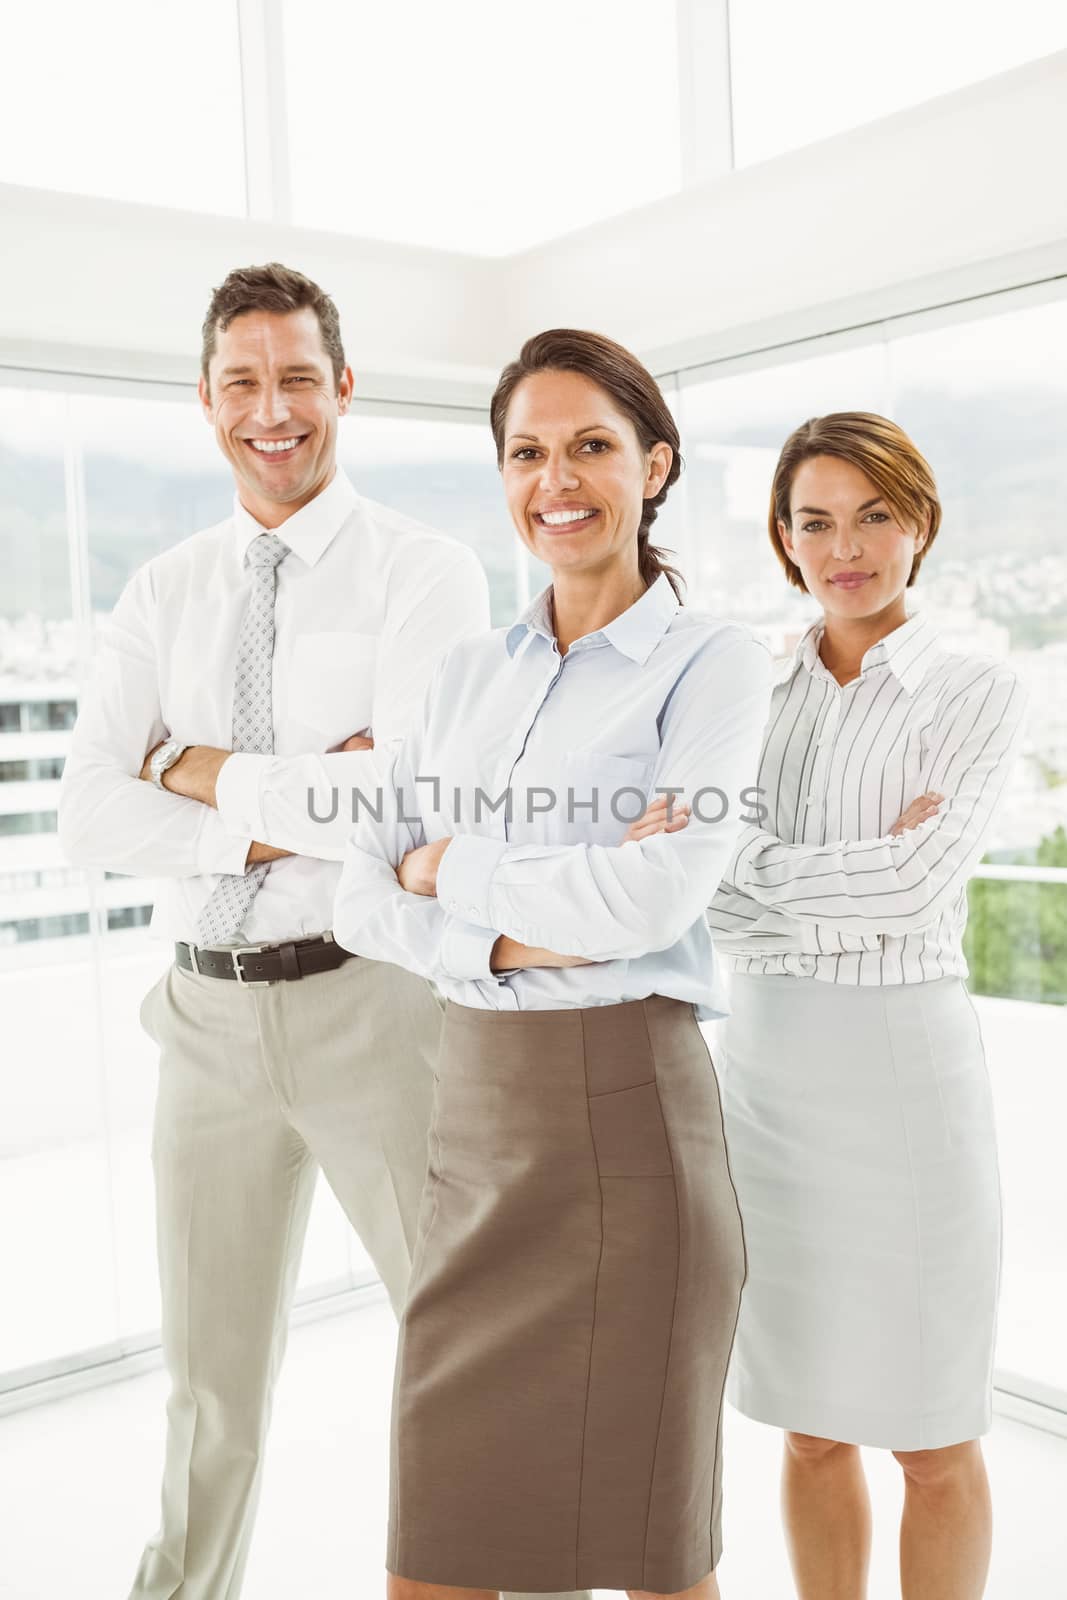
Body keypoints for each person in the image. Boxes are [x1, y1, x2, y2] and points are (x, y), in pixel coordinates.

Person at [57, 261, 502, 1600]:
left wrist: (188, 764)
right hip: (202, 1020)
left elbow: (403, 796)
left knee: (466, 1350)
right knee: (209, 1389)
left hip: (374, 1005)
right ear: (206, 402)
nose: (273, 408)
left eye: (297, 376)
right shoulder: (165, 591)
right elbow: (87, 816)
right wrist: (295, 790)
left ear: (342, 387)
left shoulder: (422, 571)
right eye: (243, 381)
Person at [330, 327, 774, 1600]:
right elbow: (360, 894)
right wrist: (512, 909)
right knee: (437, 1563)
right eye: (526, 452)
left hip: (628, 1129)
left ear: (654, 465)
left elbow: (653, 893)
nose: (555, 479)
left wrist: (447, 866)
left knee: (650, 1563)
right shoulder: (462, 673)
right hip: (470, 1128)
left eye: (589, 445)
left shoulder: (714, 664)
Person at [705, 412, 1030, 1600]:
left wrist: (756, 865)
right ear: (783, 541)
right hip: (768, 1073)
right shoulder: (747, 684)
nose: (844, 547)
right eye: (813, 521)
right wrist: (804, 877)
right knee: (805, 1423)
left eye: (872, 515)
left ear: (919, 523)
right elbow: (710, 895)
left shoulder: (972, 687)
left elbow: (915, 887)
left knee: (934, 1434)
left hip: (905, 1081)